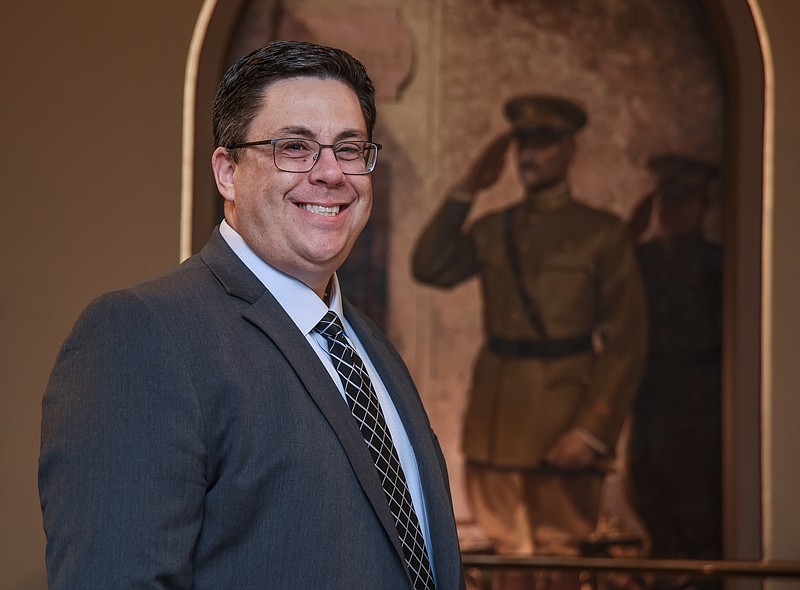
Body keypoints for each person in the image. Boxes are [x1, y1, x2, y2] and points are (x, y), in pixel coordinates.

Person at [39, 40, 465, 590]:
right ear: (226, 172)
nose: (330, 173)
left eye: (350, 148)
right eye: (294, 147)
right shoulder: (144, 335)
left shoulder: (372, 350)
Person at [412, 95, 647, 578]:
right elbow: (430, 266)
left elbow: (628, 341)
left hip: (564, 421)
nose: (528, 157)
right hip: (495, 422)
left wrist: (592, 430)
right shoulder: (494, 229)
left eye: (542, 144)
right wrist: (466, 189)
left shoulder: (601, 234)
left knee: (559, 561)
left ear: (568, 149)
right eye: (521, 143)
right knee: (506, 562)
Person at [627, 155, 723, 590]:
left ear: (705, 203)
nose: (674, 208)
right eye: (667, 197)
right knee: (648, 488)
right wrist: (631, 227)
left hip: (702, 398)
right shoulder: (640, 258)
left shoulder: (719, 264)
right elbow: (610, 274)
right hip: (652, 393)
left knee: (699, 505)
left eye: (686, 198)